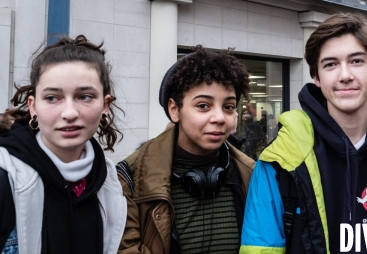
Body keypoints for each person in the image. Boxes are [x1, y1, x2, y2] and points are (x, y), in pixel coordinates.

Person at [241, 13, 367, 254]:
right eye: (330, 64)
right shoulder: (281, 159)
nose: (345, 75)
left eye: (357, 61)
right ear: (316, 77)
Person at [117, 46, 255, 253]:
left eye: (228, 107)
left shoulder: (251, 174)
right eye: (203, 106)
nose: (218, 118)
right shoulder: (129, 178)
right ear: (175, 110)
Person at [0, 35, 127, 254]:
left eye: (85, 96)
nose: (69, 113)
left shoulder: (109, 182)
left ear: (105, 104)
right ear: (33, 106)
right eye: (52, 98)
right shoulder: (5, 178)